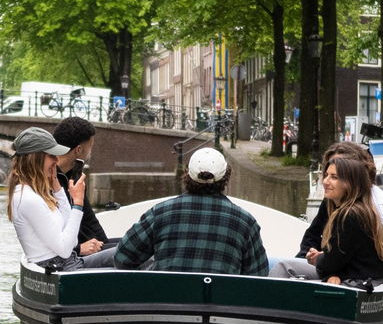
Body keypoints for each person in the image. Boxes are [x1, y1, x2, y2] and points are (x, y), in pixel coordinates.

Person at [114, 147, 269, 275]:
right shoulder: (245, 222)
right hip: (220, 302)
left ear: (187, 173)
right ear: (226, 177)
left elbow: (122, 257)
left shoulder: (160, 213)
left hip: (166, 301)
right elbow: (259, 275)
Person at [270, 156, 383, 285]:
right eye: (326, 175)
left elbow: (331, 263)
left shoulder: (349, 216)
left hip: (359, 281)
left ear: (350, 183)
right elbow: (343, 256)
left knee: (283, 267)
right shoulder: (362, 210)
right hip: (364, 276)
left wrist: (318, 259)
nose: (325, 181)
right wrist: (323, 259)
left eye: (334, 177)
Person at [7, 127, 115, 271]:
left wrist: (58, 191)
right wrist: (77, 204)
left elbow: (72, 241)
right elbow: (65, 250)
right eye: (51, 155)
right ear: (37, 158)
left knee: (133, 252)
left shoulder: (33, 194)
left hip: (68, 264)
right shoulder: (29, 199)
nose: (56, 160)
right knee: (131, 254)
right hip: (62, 269)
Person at [296, 141, 383, 270]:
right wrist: (306, 257)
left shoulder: (378, 204)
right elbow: (313, 235)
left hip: (360, 275)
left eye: (336, 175)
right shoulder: (332, 199)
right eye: (327, 172)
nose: (326, 181)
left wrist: (343, 271)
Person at [53, 117, 108, 256]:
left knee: (130, 249)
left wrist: (106, 245)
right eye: (91, 147)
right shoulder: (47, 180)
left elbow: (89, 219)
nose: (90, 152)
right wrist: (78, 249)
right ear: (78, 150)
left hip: (88, 246)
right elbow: (50, 231)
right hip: (72, 254)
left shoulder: (75, 175)